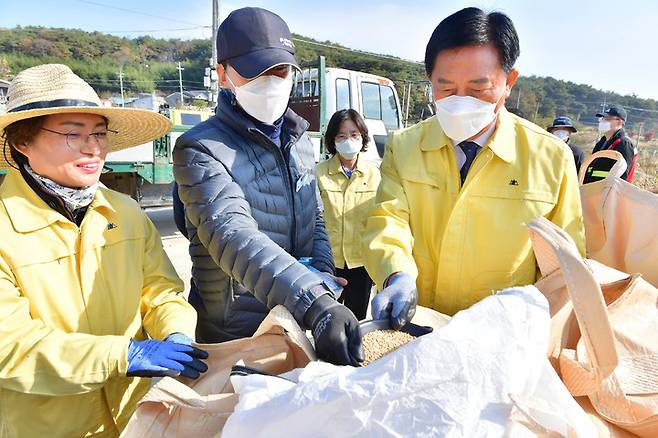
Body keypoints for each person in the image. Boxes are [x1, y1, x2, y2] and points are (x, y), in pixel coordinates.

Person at [0, 64, 208, 437]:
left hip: (138, 417)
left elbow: (160, 291)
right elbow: (12, 346)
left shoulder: (124, 211)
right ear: (22, 142)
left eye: (99, 133)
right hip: (48, 426)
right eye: (72, 133)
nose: (93, 147)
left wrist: (176, 330)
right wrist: (123, 356)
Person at [363, 7, 585, 323]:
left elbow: (565, 267)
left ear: (509, 81)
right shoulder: (405, 146)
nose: (460, 102)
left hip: (502, 338)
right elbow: (387, 220)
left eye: (479, 89)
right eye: (447, 88)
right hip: (418, 325)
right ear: (430, 80)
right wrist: (396, 273)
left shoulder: (550, 158)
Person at [172, 7, 363, 366]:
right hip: (238, 328)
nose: (271, 83)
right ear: (223, 75)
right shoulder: (199, 148)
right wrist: (315, 303)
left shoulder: (301, 141)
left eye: (279, 71)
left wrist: (321, 273)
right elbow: (231, 234)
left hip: (297, 317)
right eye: (255, 73)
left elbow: (315, 217)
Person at [316, 109, 381, 320]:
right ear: (332, 140)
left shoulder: (375, 175)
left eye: (354, 135)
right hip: (328, 262)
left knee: (357, 321)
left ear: (362, 137)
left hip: (361, 264)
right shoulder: (318, 173)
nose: (348, 140)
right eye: (341, 136)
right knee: (326, 320)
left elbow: (382, 219)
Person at [589, 105, 638, 182]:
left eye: (607, 119)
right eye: (602, 119)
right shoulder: (601, 143)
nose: (602, 121)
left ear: (619, 122)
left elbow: (622, 177)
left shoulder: (623, 143)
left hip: (609, 192)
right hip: (595, 189)